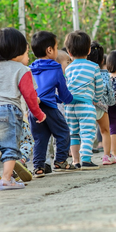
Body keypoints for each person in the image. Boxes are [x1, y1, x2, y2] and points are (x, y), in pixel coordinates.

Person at [0, 28, 46, 190]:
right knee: (10, 146)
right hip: (9, 111)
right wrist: (38, 114)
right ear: (17, 50)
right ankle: (6, 179)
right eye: (26, 52)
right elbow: (30, 96)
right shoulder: (22, 70)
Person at [28, 31, 76, 177]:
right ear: (49, 50)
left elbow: (39, 91)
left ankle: (38, 167)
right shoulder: (55, 67)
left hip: (34, 107)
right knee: (62, 132)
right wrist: (69, 99)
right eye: (55, 47)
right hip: (49, 108)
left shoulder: (30, 68)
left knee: (40, 138)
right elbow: (63, 90)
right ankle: (61, 161)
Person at [64, 31, 105, 170]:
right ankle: (86, 160)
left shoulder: (68, 68)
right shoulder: (93, 67)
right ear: (89, 50)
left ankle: (76, 161)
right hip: (86, 105)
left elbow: (66, 86)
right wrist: (95, 99)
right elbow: (99, 87)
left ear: (69, 52)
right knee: (87, 133)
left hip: (69, 106)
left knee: (74, 133)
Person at [86, 42, 116, 166]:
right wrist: (111, 103)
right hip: (102, 106)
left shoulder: (85, 71)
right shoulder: (104, 73)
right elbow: (110, 91)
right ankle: (106, 156)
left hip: (86, 105)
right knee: (105, 131)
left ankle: (82, 158)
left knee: (85, 132)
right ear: (102, 59)